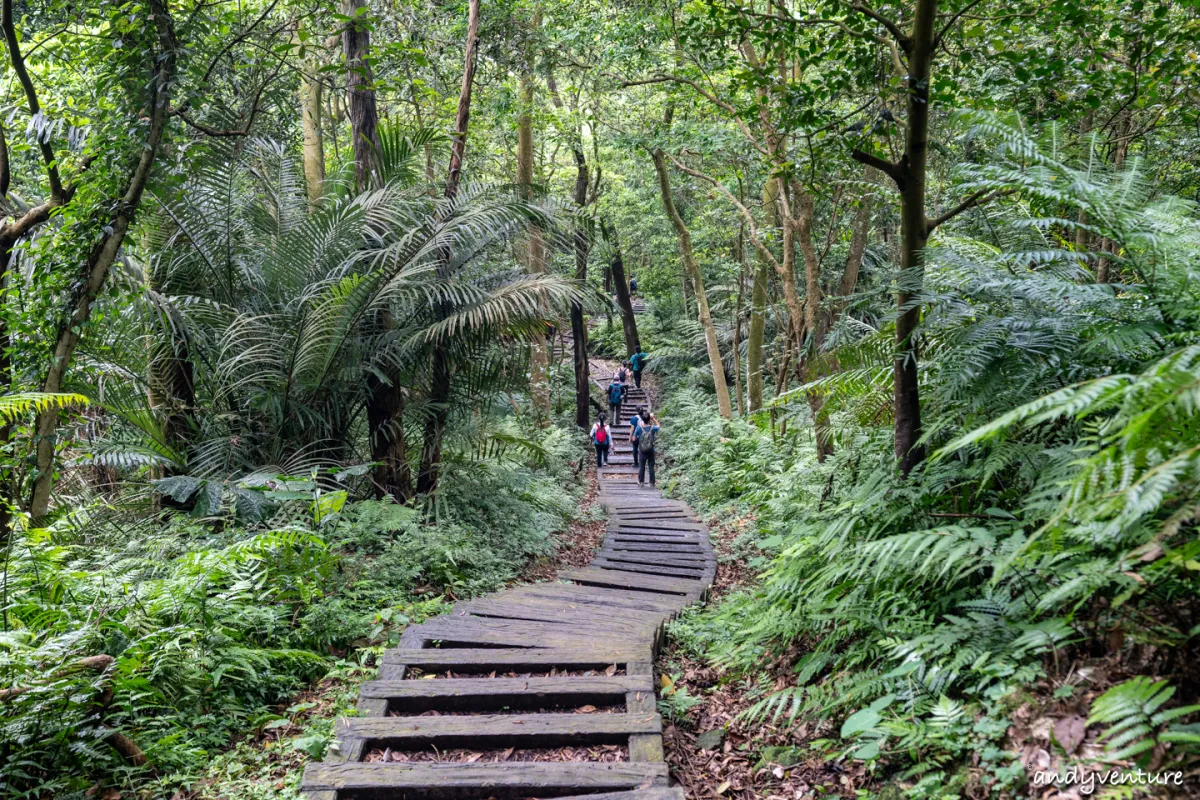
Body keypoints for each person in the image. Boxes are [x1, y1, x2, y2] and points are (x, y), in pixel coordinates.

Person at [637, 409, 659, 486]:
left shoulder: (639, 428)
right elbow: (659, 426)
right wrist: (653, 419)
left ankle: (641, 482)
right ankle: (651, 483)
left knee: (642, 466)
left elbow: (634, 437)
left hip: (642, 450)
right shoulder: (653, 428)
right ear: (649, 419)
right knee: (651, 467)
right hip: (651, 449)